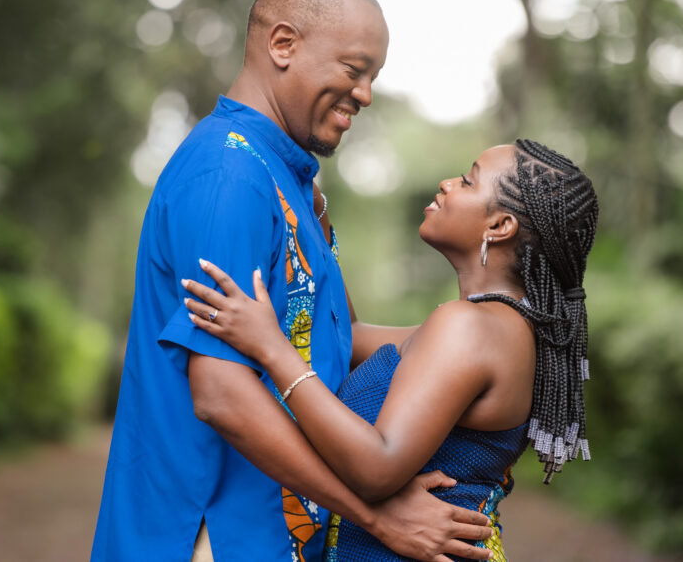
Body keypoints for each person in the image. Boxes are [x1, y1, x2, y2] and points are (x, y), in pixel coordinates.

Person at [91, 0, 494, 562]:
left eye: (373, 77)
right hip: (208, 537)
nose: (365, 94)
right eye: (353, 70)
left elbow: (335, 338)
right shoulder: (228, 177)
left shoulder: (287, 180)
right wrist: (377, 517)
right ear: (283, 44)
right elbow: (220, 393)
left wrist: (488, 337)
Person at [183, 139, 599, 561]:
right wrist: (319, 224)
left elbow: (375, 469)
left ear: (499, 226)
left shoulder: (470, 328)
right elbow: (349, 335)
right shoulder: (496, 327)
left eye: (467, 181)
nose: (447, 183)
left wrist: (272, 349)